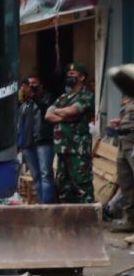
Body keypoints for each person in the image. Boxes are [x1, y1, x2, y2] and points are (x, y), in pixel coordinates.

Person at [46, 62, 95, 204]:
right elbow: (48, 115)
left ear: (82, 77)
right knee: (63, 186)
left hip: (77, 149)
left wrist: (62, 113)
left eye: (73, 74)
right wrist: (65, 116)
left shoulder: (86, 96)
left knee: (82, 184)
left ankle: (87, 220)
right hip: (62, 148)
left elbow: (73, 111)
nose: (69, 76)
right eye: (68, 74)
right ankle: (68, 220)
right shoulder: (63, 97)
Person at [18, 76, 55, 204]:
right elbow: (21, 126)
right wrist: (20, 144)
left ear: (41, 85)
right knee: (36, 176)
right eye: (30, 84)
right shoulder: (25, 104)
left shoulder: (47, 98)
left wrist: (34, 96)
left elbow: (45, 108)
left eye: (35, 83)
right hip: (28, 144)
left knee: (46, 175)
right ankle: (42, 202)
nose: (32, 86)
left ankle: (48, 205)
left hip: (43, 141)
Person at [110, 95, 134, 228]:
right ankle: (130, 220)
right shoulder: (127, 100)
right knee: (126, 183)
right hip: (123, 143)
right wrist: (118, 124)